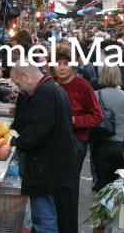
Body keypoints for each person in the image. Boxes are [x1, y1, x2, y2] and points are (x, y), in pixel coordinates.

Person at [9, 65, 79, 233]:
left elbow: (39, 129)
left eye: (18, 84)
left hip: (45, 167)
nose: (20, 89)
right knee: (47, 216)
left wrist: (17, 142)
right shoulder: (53, 89)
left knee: (44, 219)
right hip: (55, 165)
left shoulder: (44, 92)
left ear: (25, 75)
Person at [48, 44, 104, 177]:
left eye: (66, 63)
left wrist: (73, 120)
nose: (62, 68)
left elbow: (97, 116)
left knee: (69, 185)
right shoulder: (49, 84)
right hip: (51, 142)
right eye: (58, 63)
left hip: (75, 143)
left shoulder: (83, 86)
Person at [92, 66, 124, 192]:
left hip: (101, 144)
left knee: (103, 184)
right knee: (119, 185)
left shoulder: (95, 95)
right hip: (121, 145)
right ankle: (117, 211)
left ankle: (103, 210)